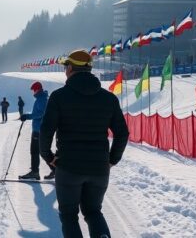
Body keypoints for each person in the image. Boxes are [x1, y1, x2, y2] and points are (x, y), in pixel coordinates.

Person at [40, 49, 129, 238]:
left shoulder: (59, 97)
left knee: (69, 215)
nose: (65, 70)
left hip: (68, 167)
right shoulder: (109, 98)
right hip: (98, 167)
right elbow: (122, 133)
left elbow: (46, 132)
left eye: (66, 66)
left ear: (71, 68)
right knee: (93, 212)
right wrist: (111, 160)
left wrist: (49, 158)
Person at [19, 82, 55, 180]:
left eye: (34, 90)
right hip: (39, 129)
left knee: (36, 151)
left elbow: (41, 113)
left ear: (38, 89)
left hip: (38, 130)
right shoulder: (41, 98)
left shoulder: (42, 99)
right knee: (42, 151)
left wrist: (27, 116)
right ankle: (55, 170)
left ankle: (35, 172)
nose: (33, 92)